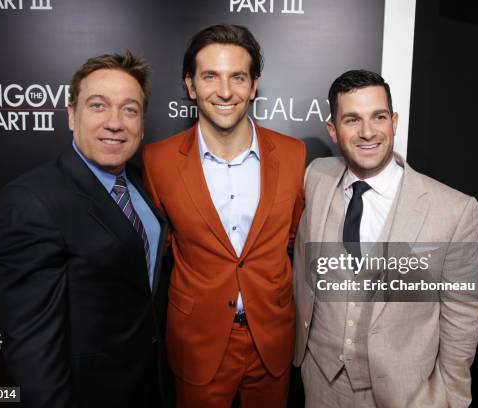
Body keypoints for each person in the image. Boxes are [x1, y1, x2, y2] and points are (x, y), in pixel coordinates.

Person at [0, 51, 169, 408]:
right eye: (98, 106)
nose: (115, 123)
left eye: (129, 110)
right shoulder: (30, 202)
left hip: (149, 386)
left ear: (142, 124)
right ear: (71, 116)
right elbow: (33, 352)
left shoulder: (139, 184)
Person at [293, 69, 478, 407]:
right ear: (333, 131)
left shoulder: (454, 211)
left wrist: (450, 396)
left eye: (378, 117)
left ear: (394, 121)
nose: (368, 132)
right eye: (352, 120)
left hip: (404, 393)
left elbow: (463, 315)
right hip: (319, 382)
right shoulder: (316, 176)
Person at [143, 24, 305, 407]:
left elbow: (293, 235)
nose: (226, 91)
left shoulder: (294, 154)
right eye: (210, 76)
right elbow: (162, 245)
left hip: (271, 336)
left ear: (253, 86)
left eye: (238, 77)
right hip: (197, 339)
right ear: (191, 85)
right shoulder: (157, 161)